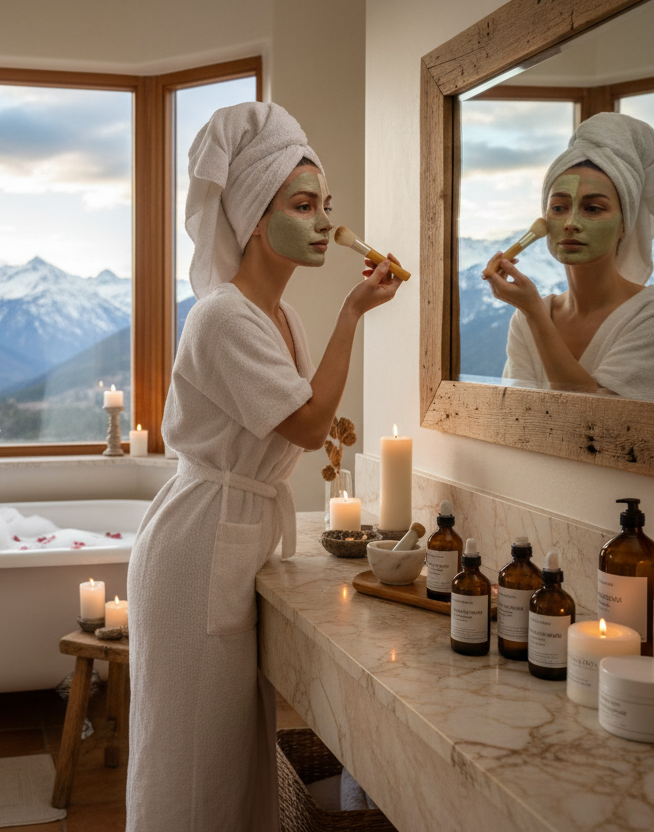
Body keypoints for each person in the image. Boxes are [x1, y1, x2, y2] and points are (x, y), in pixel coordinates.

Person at [124, 102, 401, 831]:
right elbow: (310, 426)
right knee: (190, 755)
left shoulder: (282, 319)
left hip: (236, 532)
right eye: (301, 205)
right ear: (252, 214)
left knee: (232, 753)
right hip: (198, 544)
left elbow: (301, 421)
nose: (321, 222)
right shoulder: (221, 316)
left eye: (326, 207)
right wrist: (354, 311)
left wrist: (340, 316)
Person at [483, 112, 654, 401]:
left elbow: (599, 423)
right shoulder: (524, 320)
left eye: (593, 208)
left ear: (624, 226)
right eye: (558, 208)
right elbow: (519, 413)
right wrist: (531, 311)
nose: (570, 223)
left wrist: (534, 311)